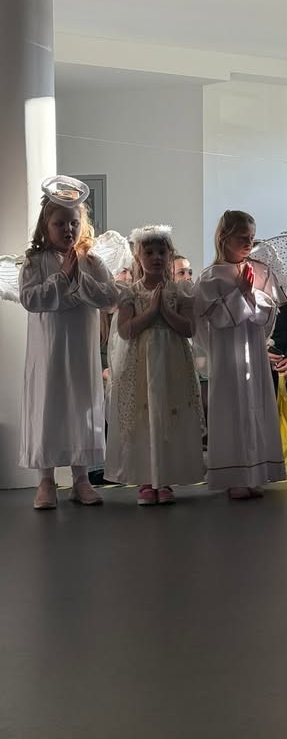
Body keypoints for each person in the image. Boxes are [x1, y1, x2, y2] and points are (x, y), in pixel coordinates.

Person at [19, 176, 118, 510]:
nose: (68, 229)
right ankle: (46, 480)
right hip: (48, 350)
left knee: (82, 405)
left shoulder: (92, 261)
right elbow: (30, 299)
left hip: (80, 348)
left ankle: (81, 479)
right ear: (46, 226)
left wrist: (80, 279)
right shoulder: (35, 261)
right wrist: (62, 278)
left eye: (74, 223)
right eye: (60, 223)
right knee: (49, 405)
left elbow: (110, 298)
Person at [105, 226, 204, 505]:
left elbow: (188, 328)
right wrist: (151, 311)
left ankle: (166, 478)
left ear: (170, 255)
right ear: (139, 257)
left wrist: (166, 310)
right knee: (144, 416)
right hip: (141, 362)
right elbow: (125, 331)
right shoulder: (130, 292)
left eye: (162, 252)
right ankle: (147, 480)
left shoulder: (180, 290)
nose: (156, 257)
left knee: (169, 414)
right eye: (149, 252)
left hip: (172, 361)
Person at [195, 210, 285, 499]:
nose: (249, 243)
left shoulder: (261, 271)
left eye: (252, 238)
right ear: (224, 237)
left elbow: (269, 313)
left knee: (255, 405)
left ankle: (255, 473)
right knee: (232, 408)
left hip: (253, 349)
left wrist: (251, 295)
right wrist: (241, 293)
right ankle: (234, 476)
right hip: (226, 352)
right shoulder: (211, 276)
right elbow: (210, 320)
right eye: (242, 237)